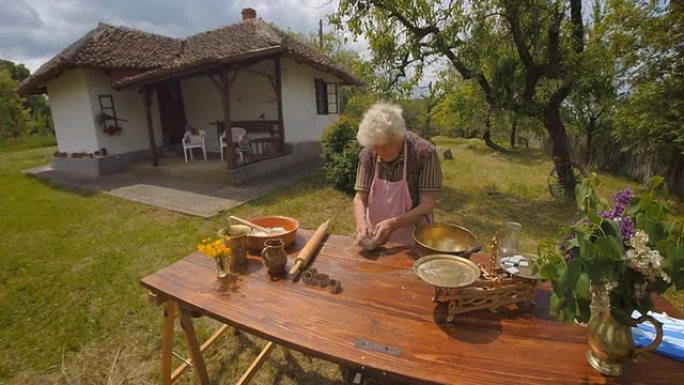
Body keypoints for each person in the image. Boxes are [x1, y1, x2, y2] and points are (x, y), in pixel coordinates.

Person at [353, 102, 442, 247]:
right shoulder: (368, 154)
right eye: (377, 146)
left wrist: (394, 224)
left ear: (400, 134)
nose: (382, 150)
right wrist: (361, 224)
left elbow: (428, 204)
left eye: (388, 144)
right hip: (375, 236)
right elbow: (359, 197)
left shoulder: (424, 153)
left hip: (414, 237)